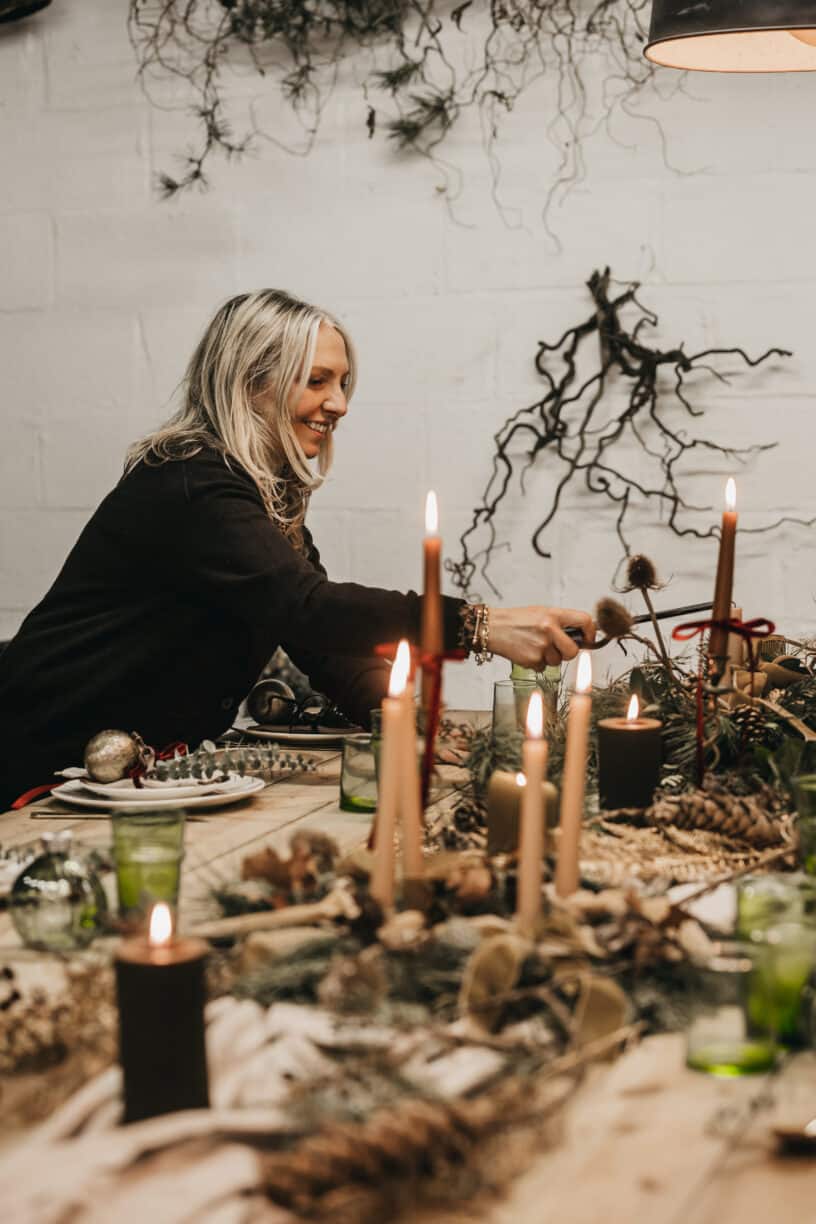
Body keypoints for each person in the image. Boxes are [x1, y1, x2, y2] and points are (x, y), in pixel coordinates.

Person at [0, 289, 594, 809]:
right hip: (41, 763)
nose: (340, 403)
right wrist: (479, 623)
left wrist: (399, 721)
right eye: (317, 381)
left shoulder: (259, 492)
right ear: (250, 382)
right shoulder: (191, 479)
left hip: (135, 775)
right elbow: (307, 606)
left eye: (342, 382)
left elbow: (314, 639)